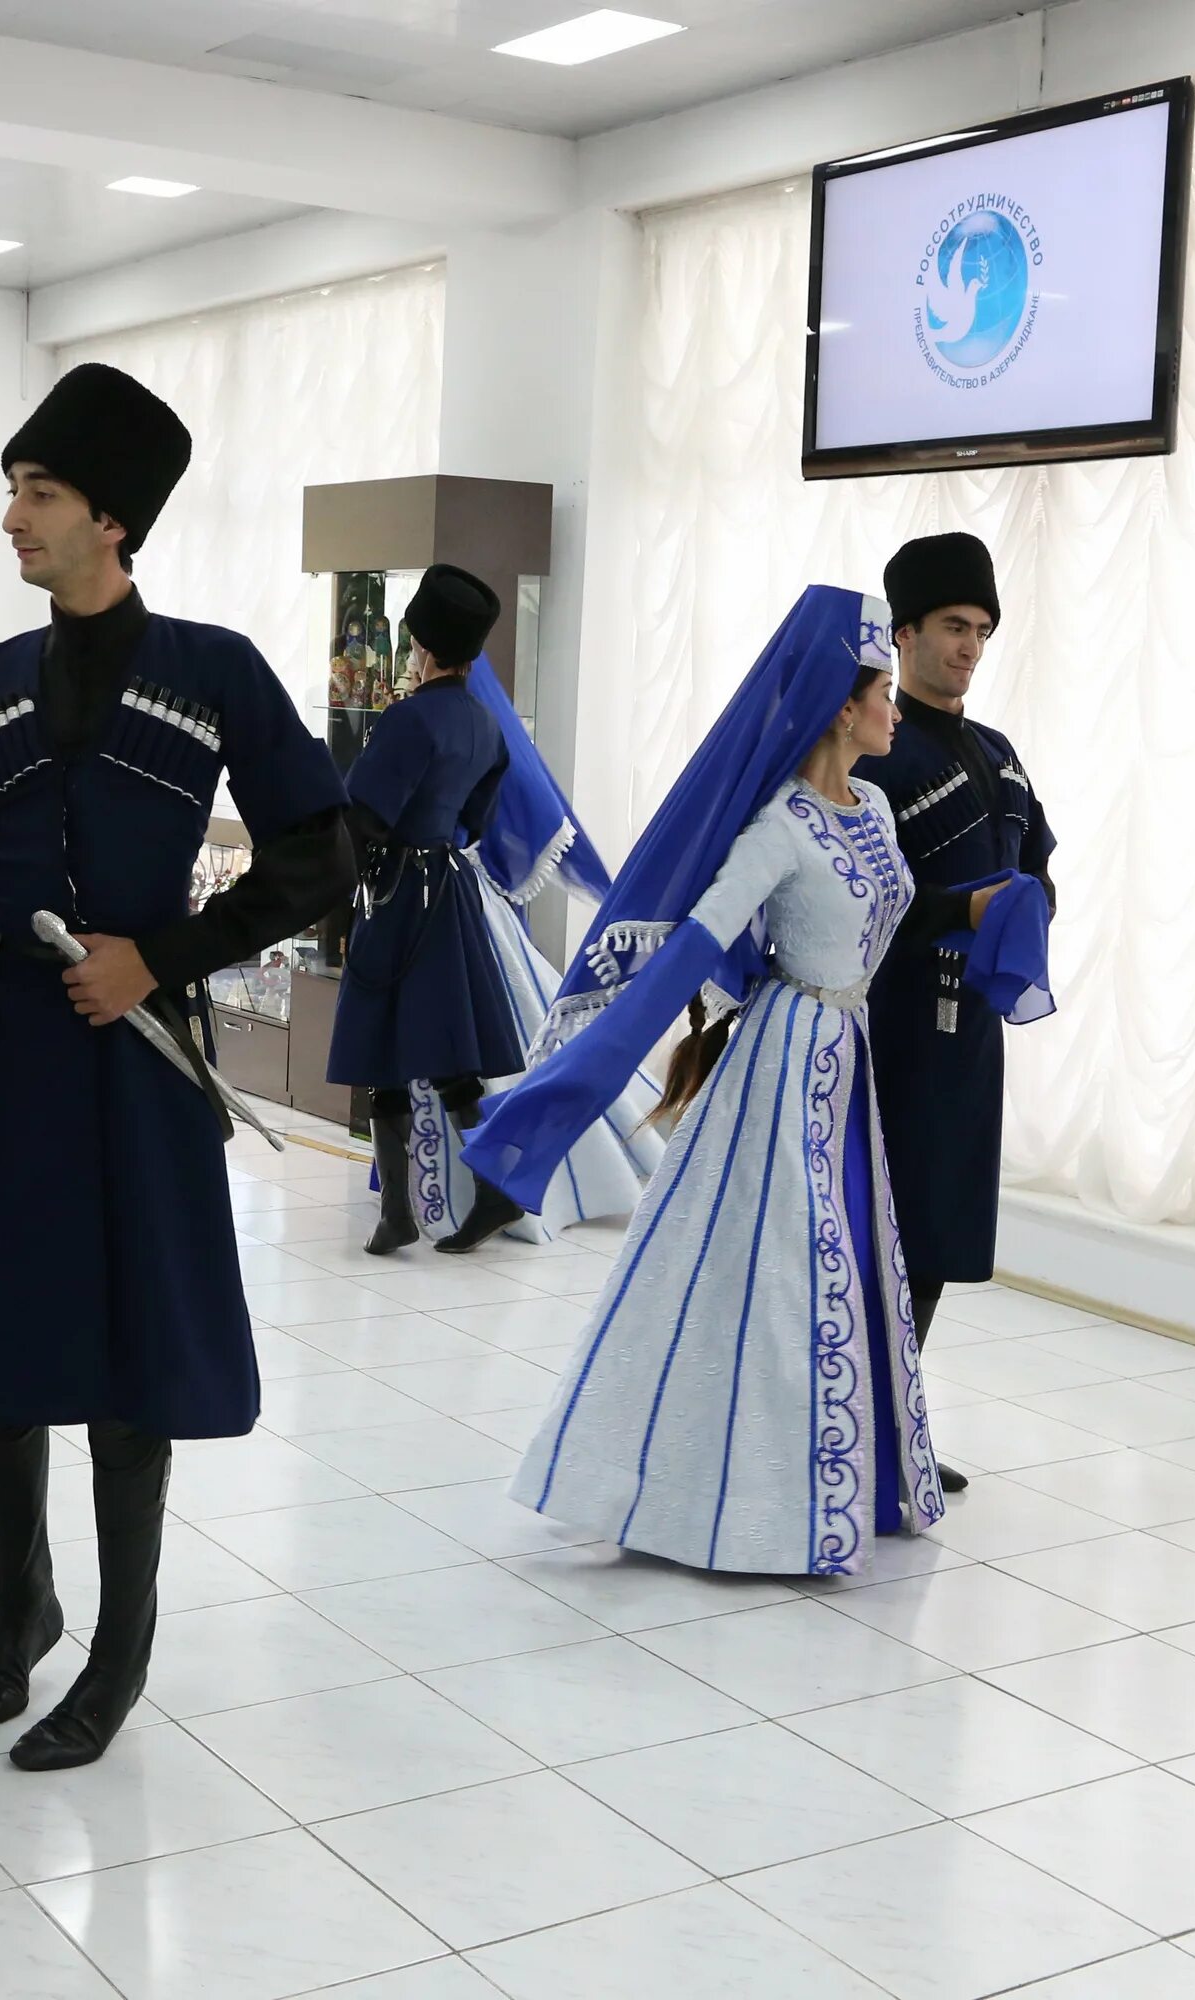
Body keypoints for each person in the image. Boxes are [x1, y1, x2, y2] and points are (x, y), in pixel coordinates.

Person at [0, 362, 353, 1772]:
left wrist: (165, 956)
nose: (12, 515)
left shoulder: (215, 673)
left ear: (112, 520)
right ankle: (22, 1618)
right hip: (1, 1055)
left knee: (131, 1370)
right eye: (12, 488)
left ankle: (122, 1658)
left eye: (40, 493)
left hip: (135, 1063)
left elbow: (322, 851)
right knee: (0, 1359)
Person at [462, 586, 948, 1575]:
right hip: (781, 1064)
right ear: (839, 705)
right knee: (769, 1273)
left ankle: (832, 1475)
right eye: (882, 692)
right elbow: (698, 943)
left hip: (845, 1057)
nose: (895, 710)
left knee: (844, 1257)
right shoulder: (781, 827)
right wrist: (585, 1063)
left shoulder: (882, 808)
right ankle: (744, 1496)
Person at [849, 533, 1059, 1493]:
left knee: (931, 1234)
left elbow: (1039, 861)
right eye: (952, 628)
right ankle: (856, 1428)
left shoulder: (1001, 756)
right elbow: (857, 896)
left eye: (981, 630)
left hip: (970, 1034)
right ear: (904, 634)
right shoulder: (876, 757)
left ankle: (897, 1424)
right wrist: (961, 913)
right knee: (876, 1229)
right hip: (889, 1029)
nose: (970, 647)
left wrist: (1029, 910)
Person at [400, 663, 663, 1250]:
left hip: (445, 891)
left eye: (419, 650)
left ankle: (494, 1180)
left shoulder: (443, 717)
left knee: (474, 1036)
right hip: (448, 885)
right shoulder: (472, 716)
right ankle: (434, 1187)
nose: (413, 663)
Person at [333, 564, 530, 1255]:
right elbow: (478, 821)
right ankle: (497, 1193)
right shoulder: (485, 725)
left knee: (382, 1048)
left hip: (396, 897)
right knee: (453, 1060)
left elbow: (363, 816)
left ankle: (397, 1213)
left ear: (419, 644)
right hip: (449, 892)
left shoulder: (409, 718)